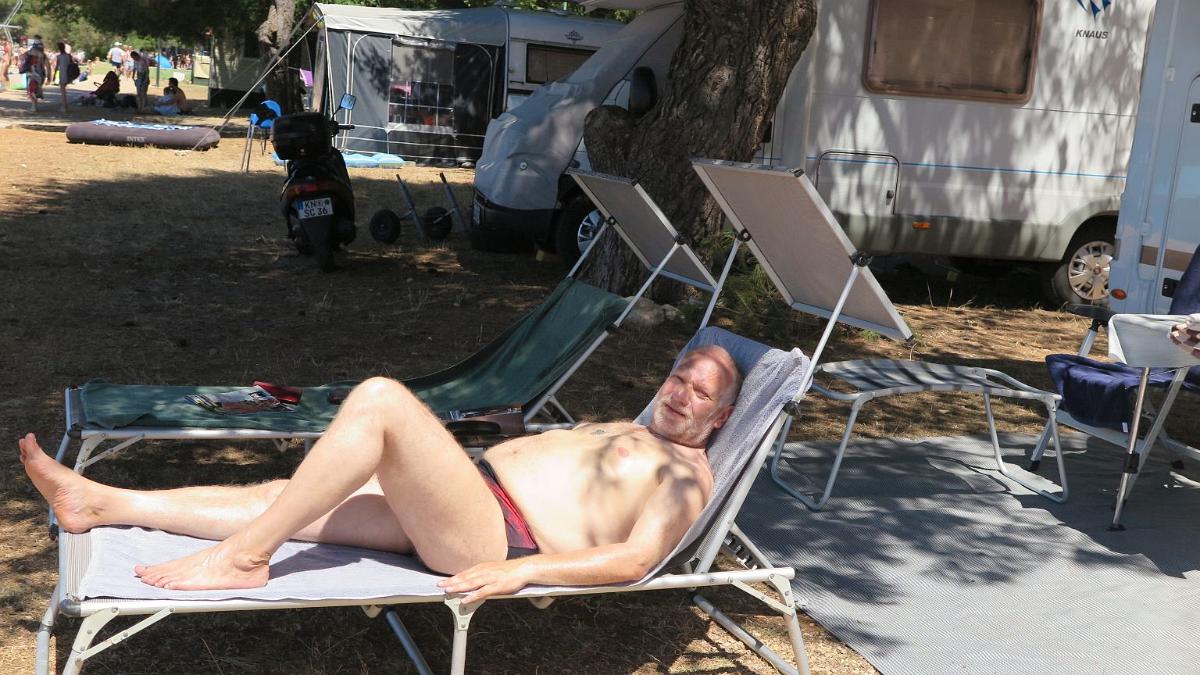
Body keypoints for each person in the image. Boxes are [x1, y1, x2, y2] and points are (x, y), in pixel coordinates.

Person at [19, 345, 742, 601]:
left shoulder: (687, 474)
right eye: (679, 378)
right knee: (284, 496)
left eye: (700, 394)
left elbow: (636, 559)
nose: (680, 394)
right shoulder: (628, 426)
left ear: (721, 417)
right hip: (470, 493)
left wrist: (521, 572)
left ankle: (244, 558)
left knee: (381, 400)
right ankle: (103, 501)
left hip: (497, 535)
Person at [22, 39, 49, 112]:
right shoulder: (43, 55)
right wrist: (49, 77)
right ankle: (34, 106)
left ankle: (34, 107)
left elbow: (22, 57)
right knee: (35, 90)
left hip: (32, 74)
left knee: (32, 91)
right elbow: (48, 66)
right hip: (41, 74)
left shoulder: (30, 53)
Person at [51, 42, 73, 113]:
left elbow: (57, 67)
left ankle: (64, 107)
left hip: (62, 74)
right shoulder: (69, 56)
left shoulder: (59, 57)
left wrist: (54, 76)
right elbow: (71, 64)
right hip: (68, 74)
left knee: (63, 92)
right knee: (64, 91)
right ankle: (65, 106)